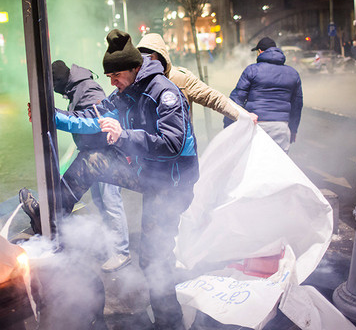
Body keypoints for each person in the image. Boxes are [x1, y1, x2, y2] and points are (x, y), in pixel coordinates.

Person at [20, 29, 199, 329]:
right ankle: (51, 219)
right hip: (148, 173)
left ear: (134, 68)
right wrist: (49, 114)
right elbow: (90, 118)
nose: (111, 82)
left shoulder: (163, 92)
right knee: (92, 161)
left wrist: (124, 134)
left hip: (172, 183)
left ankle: (171, 323)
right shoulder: (123, 94)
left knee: (154, 259)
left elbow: (174, 143)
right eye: (109, 76)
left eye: (116, 75)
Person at [51, 59, 131, 272]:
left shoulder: (87, 88)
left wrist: (57, 116)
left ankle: (121, 252)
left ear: (60, 80)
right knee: (101, 202)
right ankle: (112, 246)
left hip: (104, 156)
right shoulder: (76, 87)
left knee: (110, 202)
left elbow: (94, 122)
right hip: (93, 156)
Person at [136, 33, 257, 124]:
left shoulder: (181, 78)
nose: (145, 62)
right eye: (141, 58)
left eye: (149, 57)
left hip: (182, 151)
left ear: (159, 57)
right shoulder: (136, 80)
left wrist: (242, 115)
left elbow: (212, 97)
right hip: (148, 151)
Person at [225, 37, 303, 153]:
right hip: (281, 127)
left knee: (256, 165)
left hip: (256, 125)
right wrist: (293, 130)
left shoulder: (252, 70)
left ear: (260, 51)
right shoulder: (293, 73)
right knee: (278, 166)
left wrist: (229, 125)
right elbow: (297, 105)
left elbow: (237, 99)